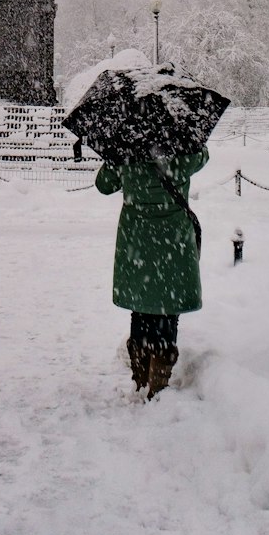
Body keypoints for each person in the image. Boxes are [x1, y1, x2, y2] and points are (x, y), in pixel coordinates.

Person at [95, 146, 209, 398]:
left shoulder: (125, 151)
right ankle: (158, 382)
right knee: (167, 312)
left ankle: (140, 378)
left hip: (136, 241)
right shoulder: (181, 153)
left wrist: (115, 156)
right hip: (173, 242)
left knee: (141, 309)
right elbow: (202, 156)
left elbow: (103, 185)